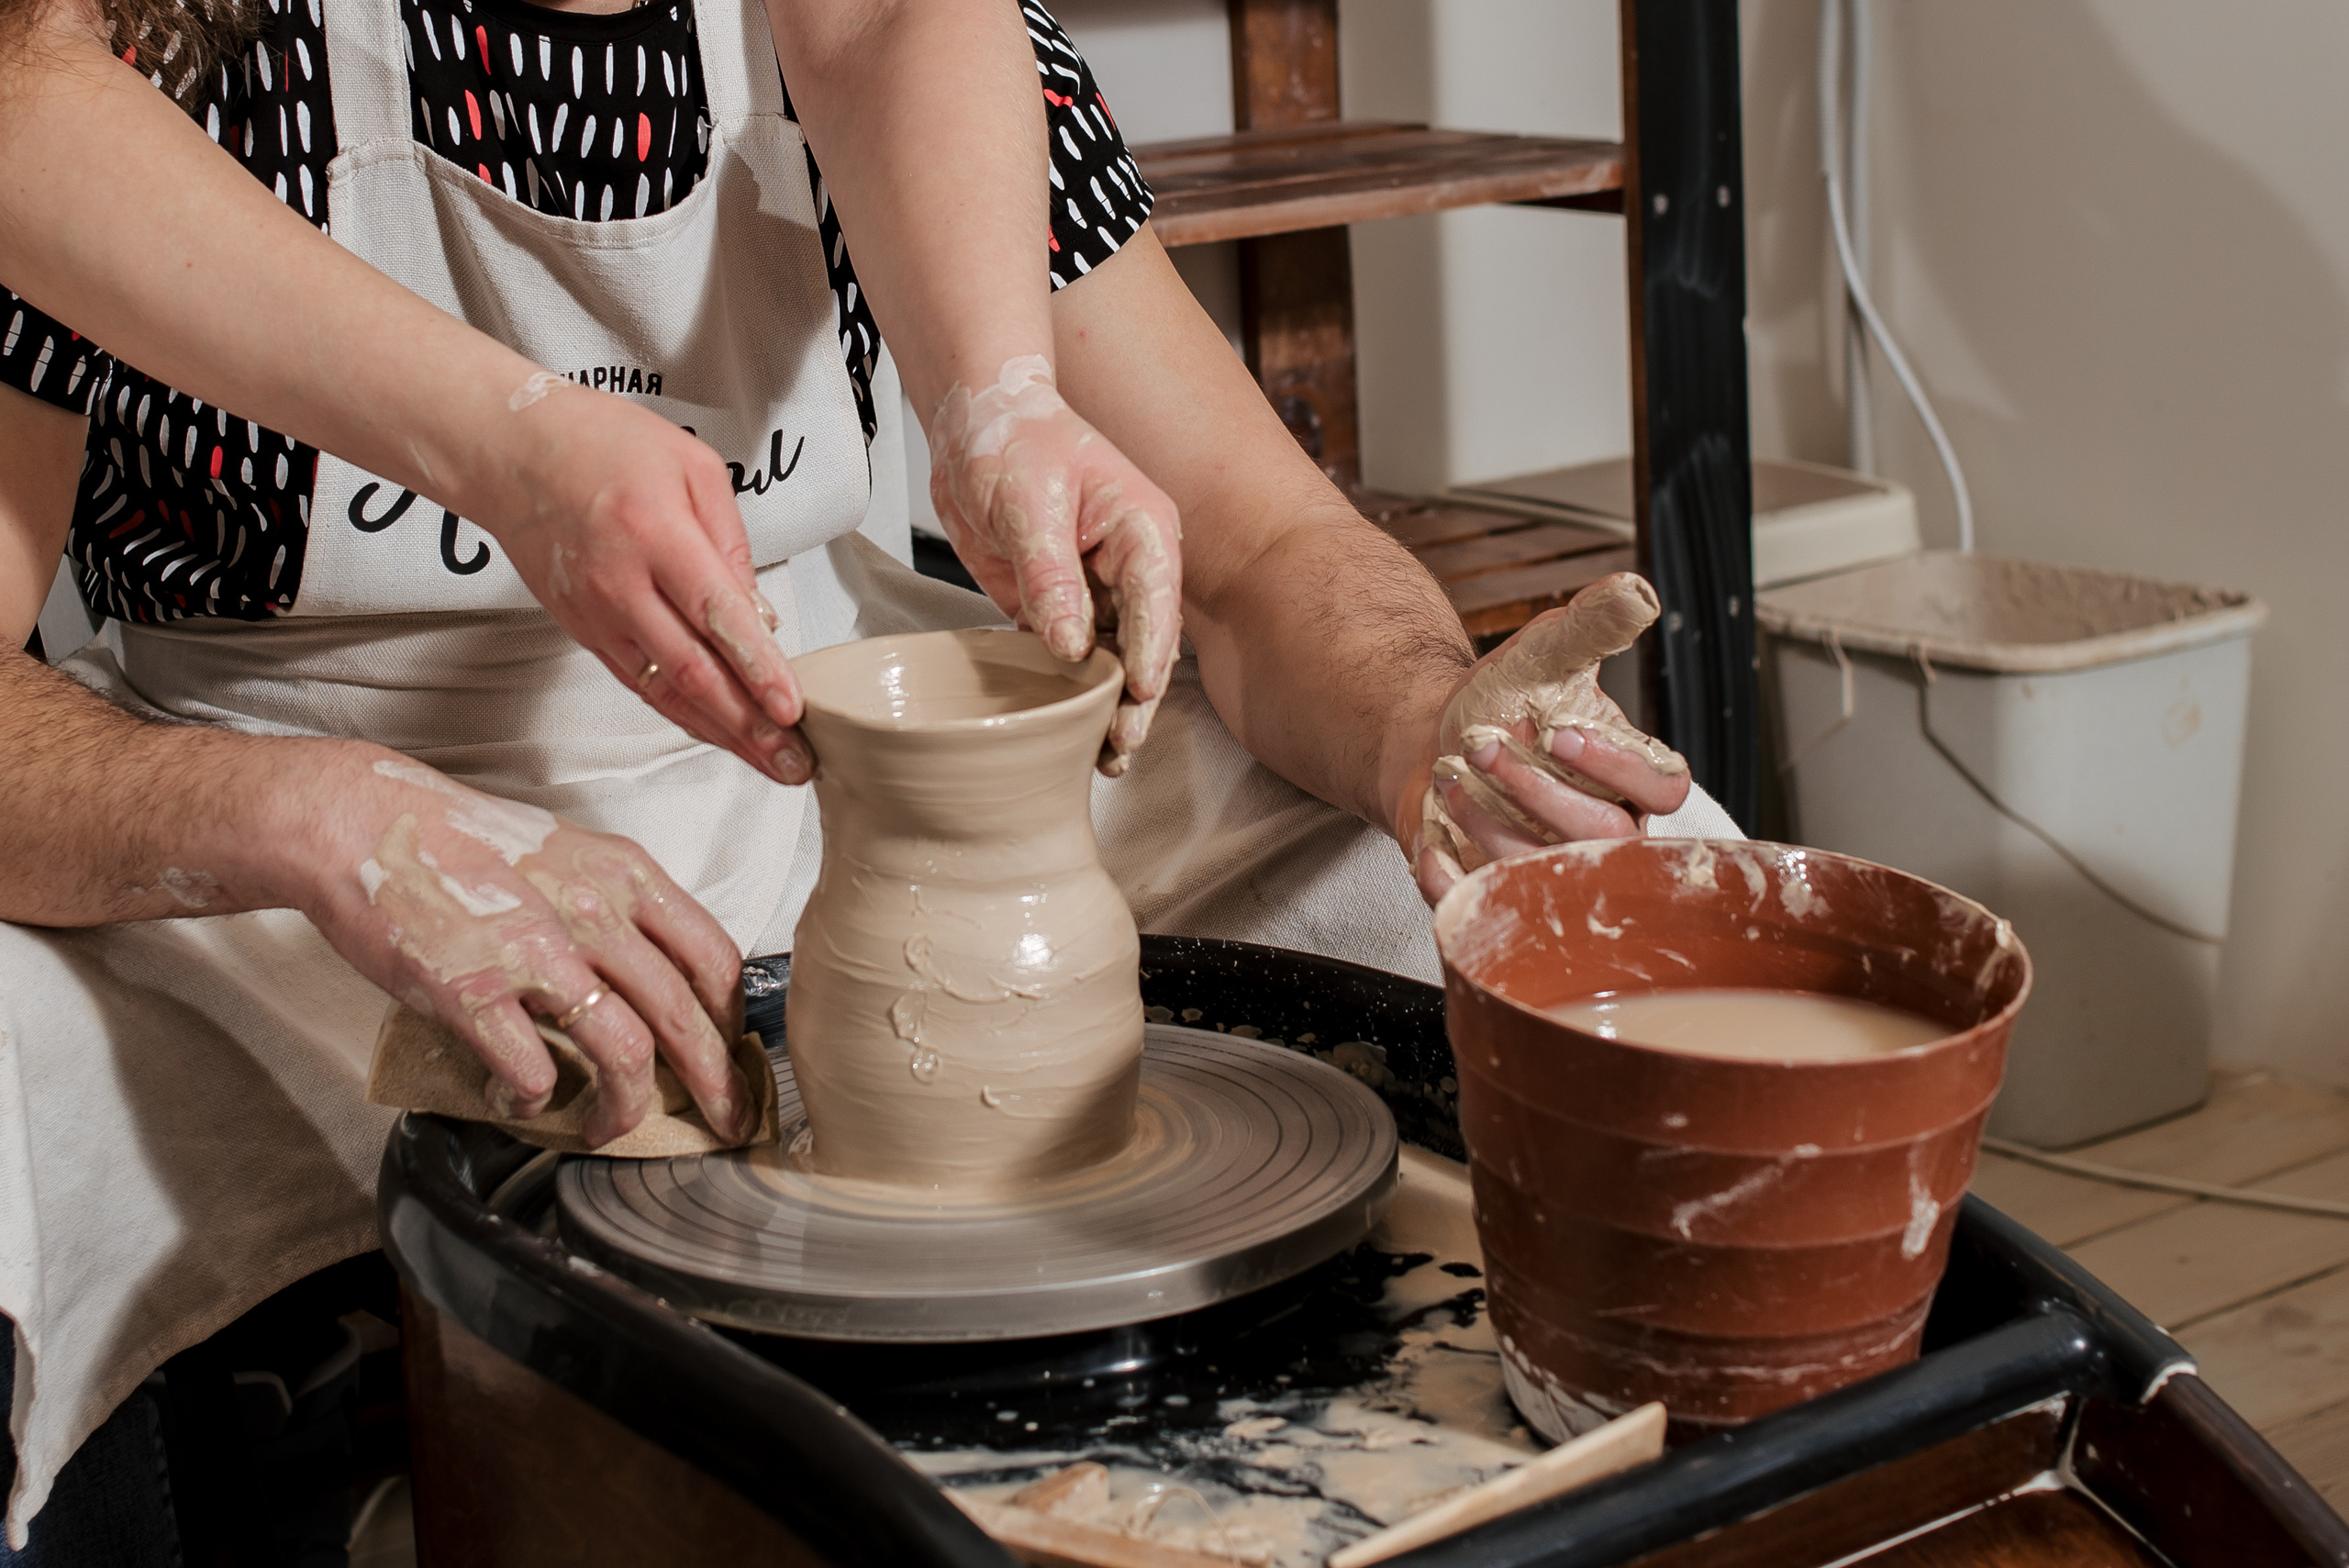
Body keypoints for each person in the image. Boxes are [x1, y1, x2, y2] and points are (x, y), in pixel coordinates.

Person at [0, 0, 1730, 1550]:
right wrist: (313, 816)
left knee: (1595, 903)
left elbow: (1272, 552)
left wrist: (1428, 717)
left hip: (836, 773)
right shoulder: (157, 64)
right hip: (310, 842)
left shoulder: (942, 58)